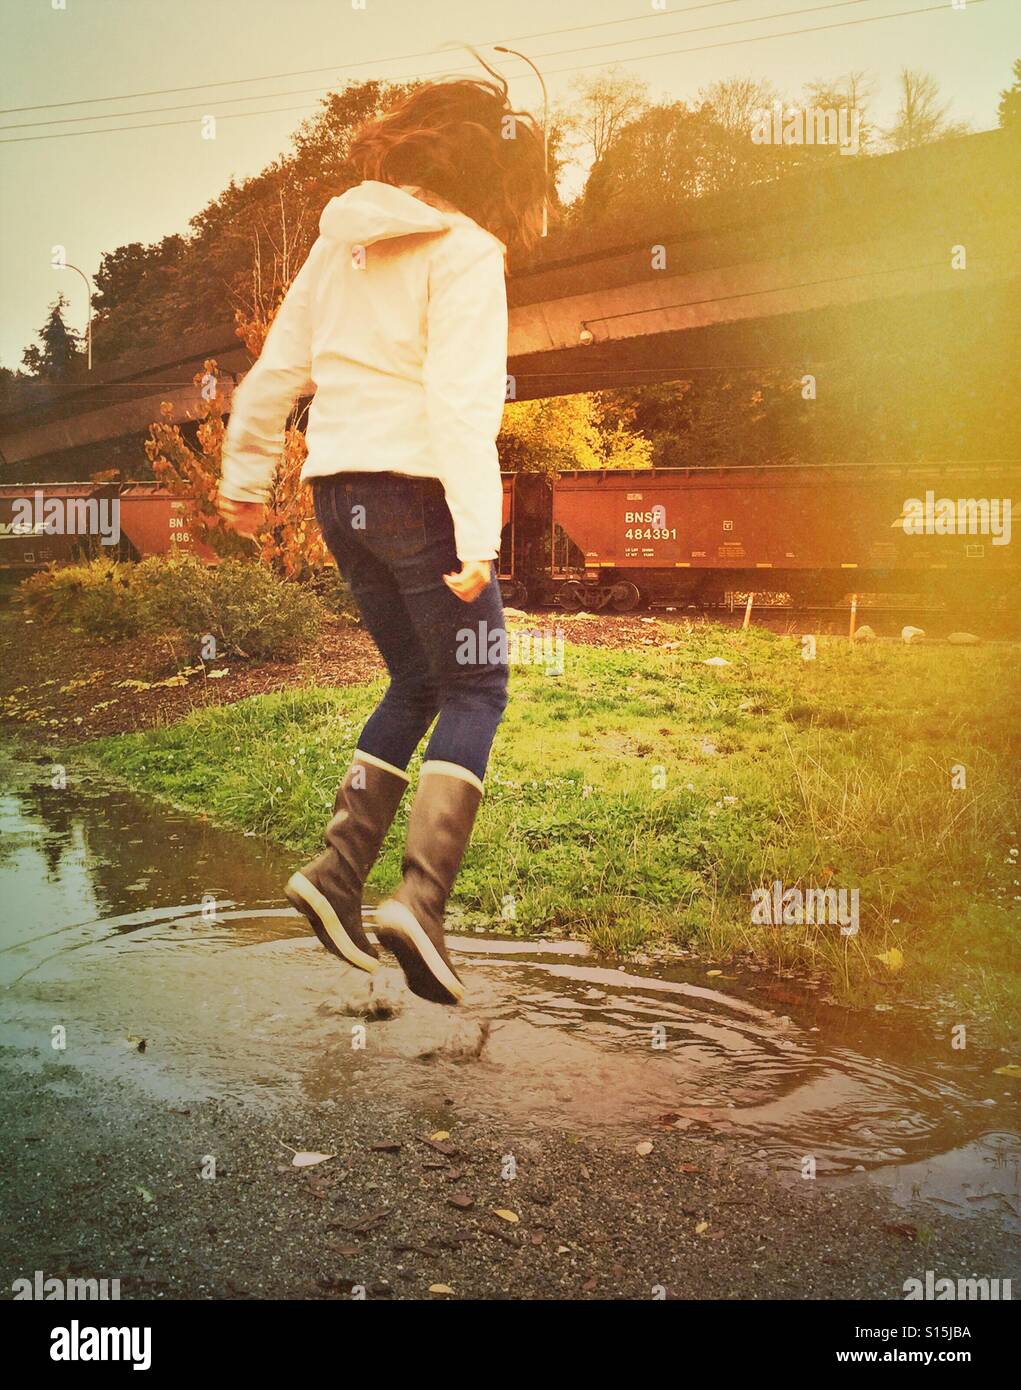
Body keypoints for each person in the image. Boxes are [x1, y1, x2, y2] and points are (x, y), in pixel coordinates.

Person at [216, 78, 545, 1006]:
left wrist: (245, 478)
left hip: (336, 495)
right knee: (478, 684)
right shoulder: (472, 252)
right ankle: (419, 903)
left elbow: (275, 371)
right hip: (419, 493)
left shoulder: (339, 242)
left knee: (417, 681)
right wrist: (478, 530)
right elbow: (460, 402)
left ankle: (332, 875)